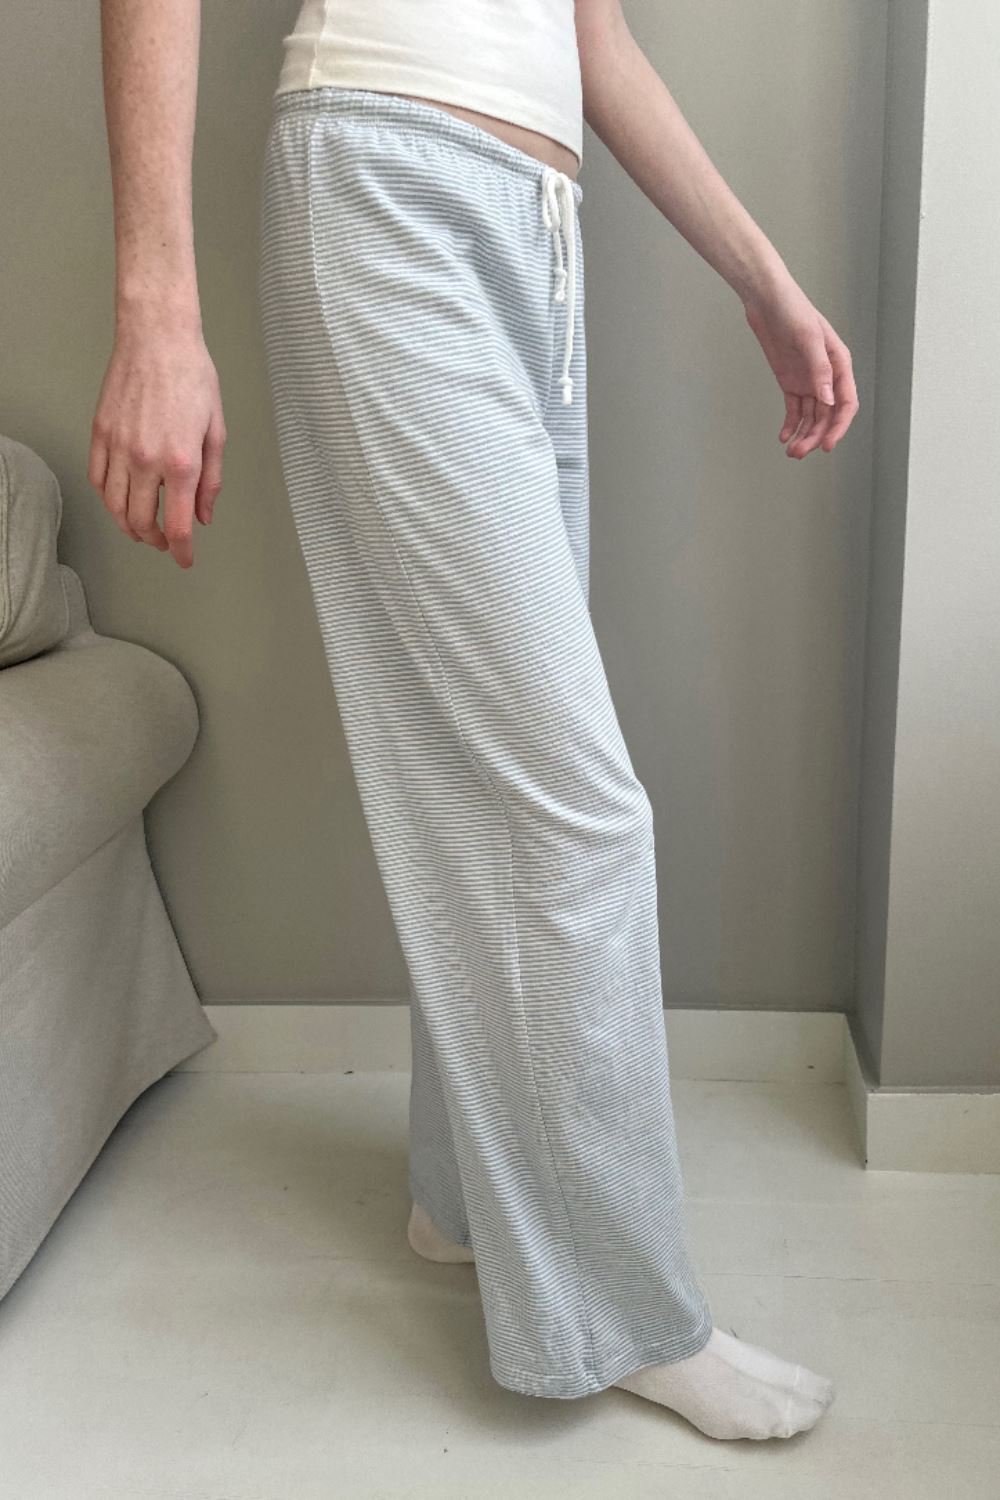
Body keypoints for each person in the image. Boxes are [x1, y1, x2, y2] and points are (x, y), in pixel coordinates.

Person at [90, 0, 857, 1441]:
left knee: (490, 786)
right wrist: (157, 311)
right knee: (575, 812)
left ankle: (462, 1200)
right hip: (381, 190)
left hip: (539, 234)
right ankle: (623, 1311)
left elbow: (591, 34)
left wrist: (762, 278)